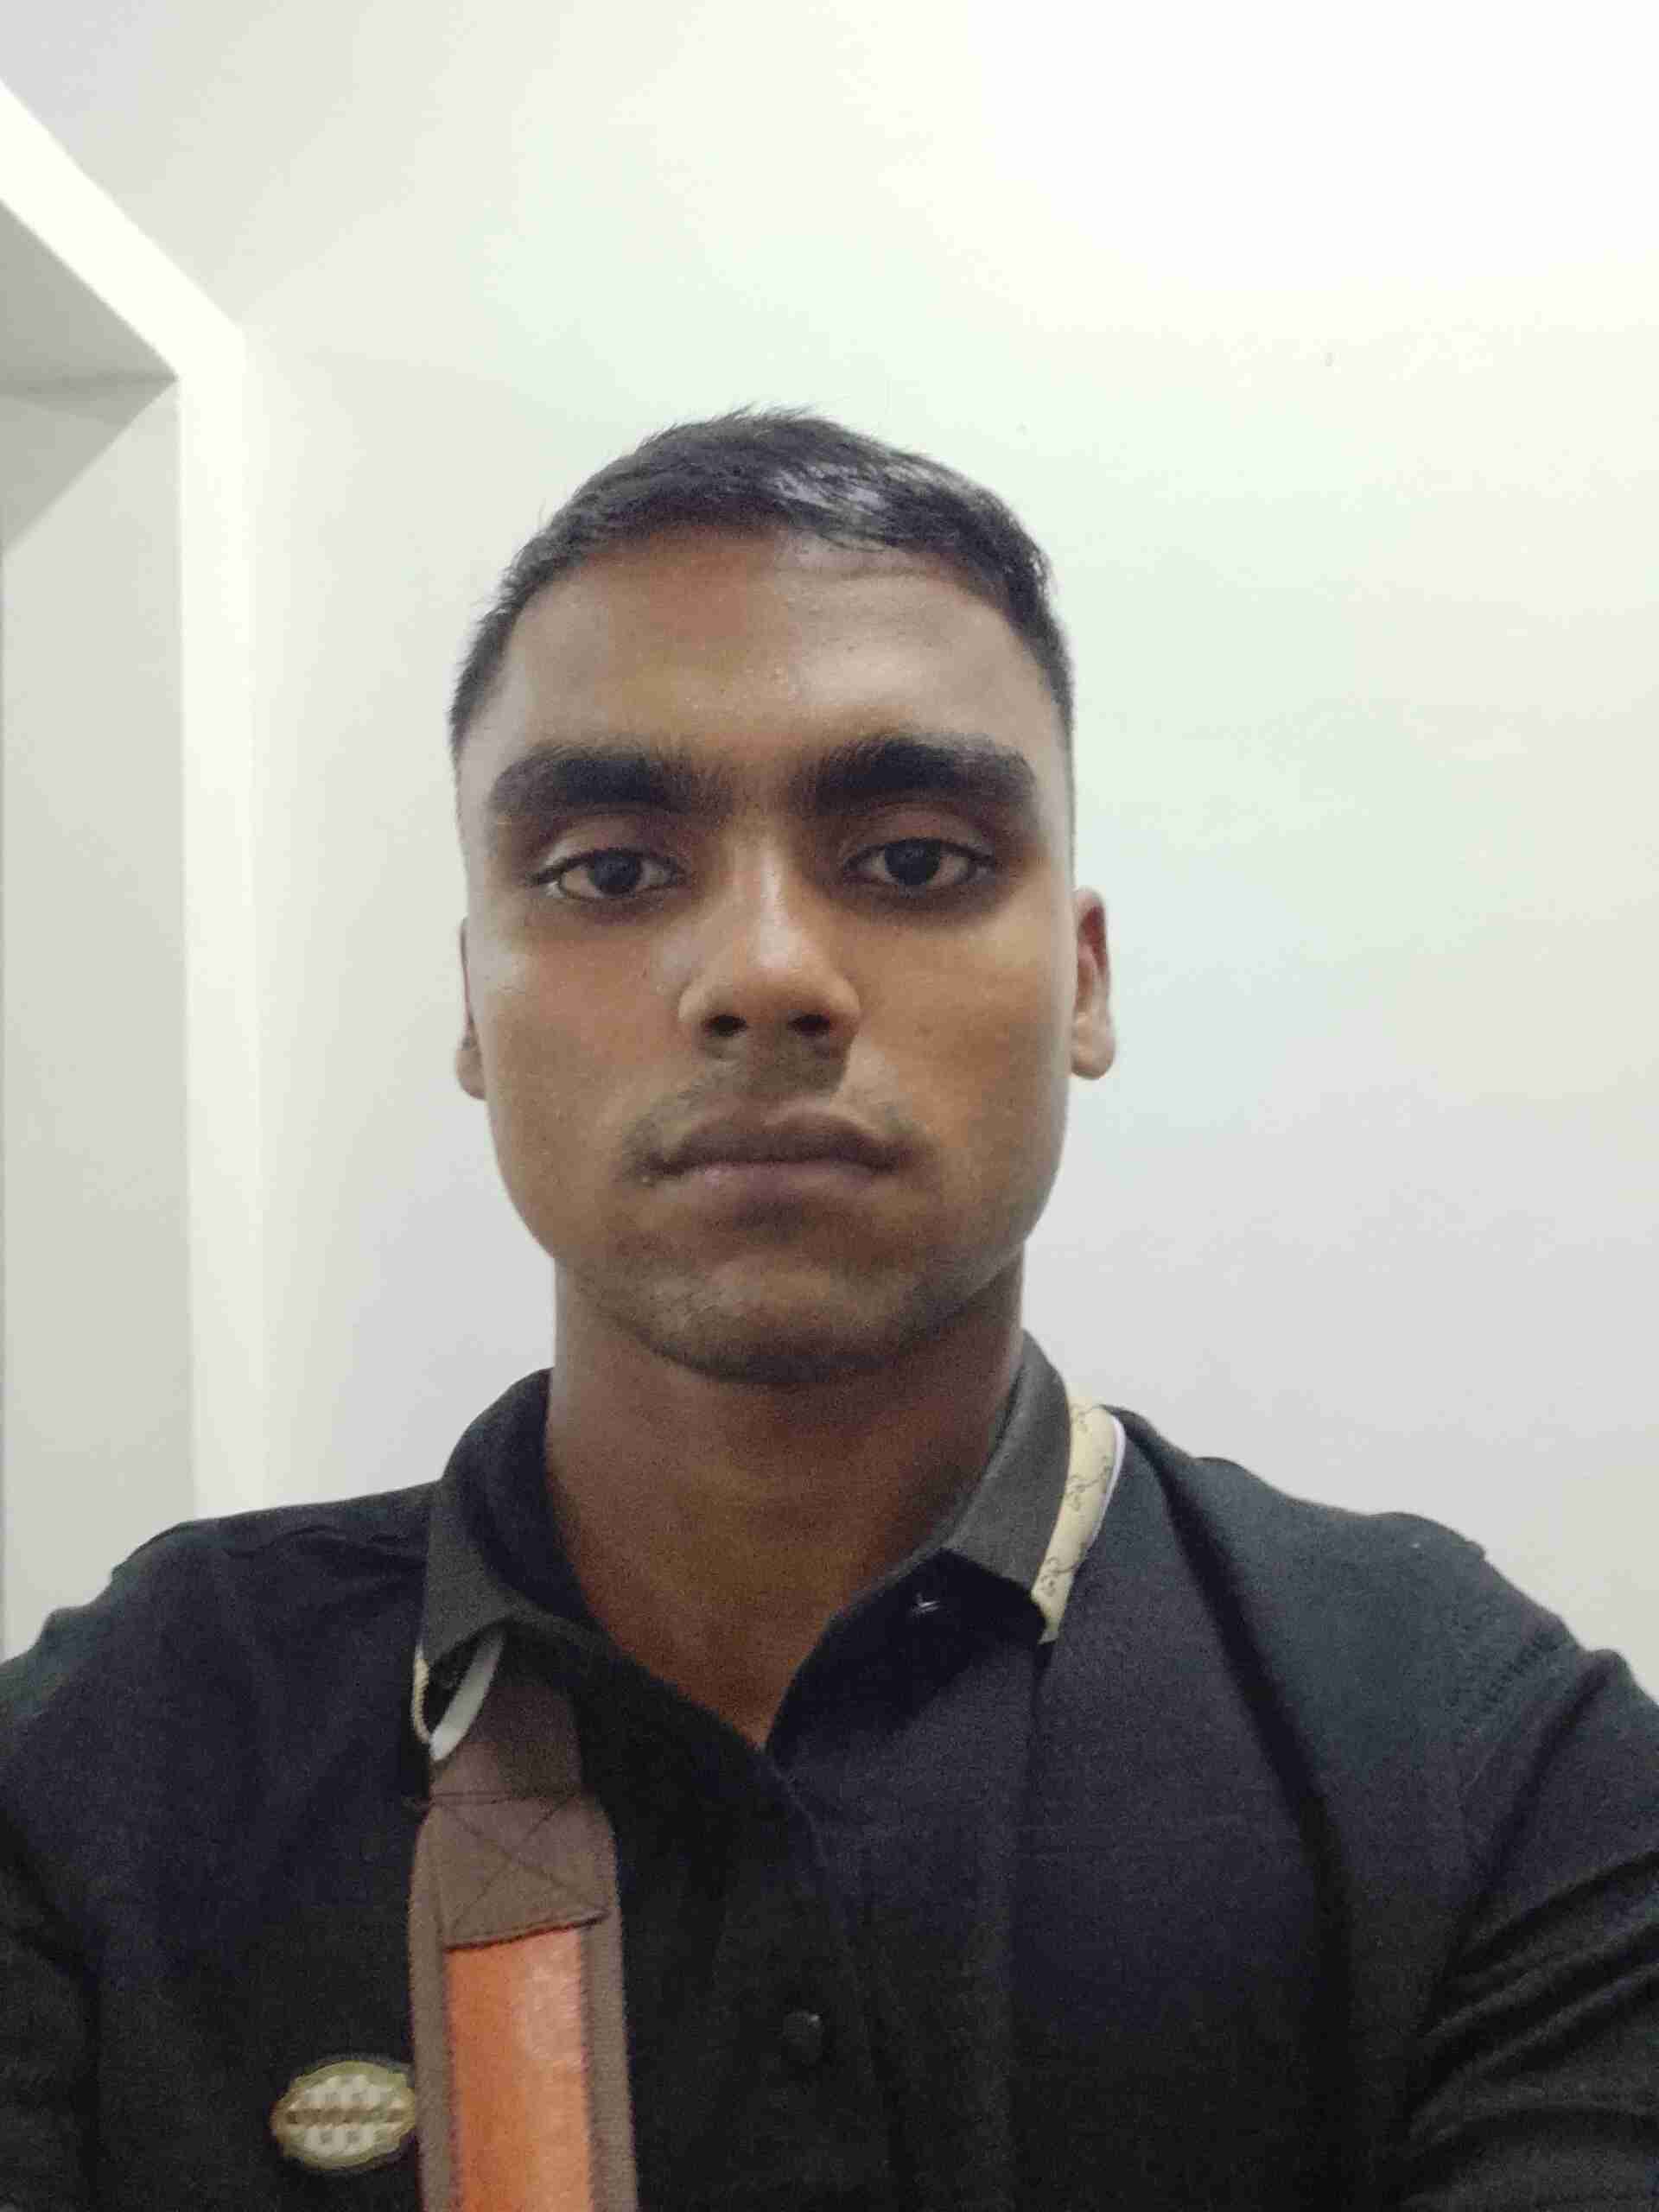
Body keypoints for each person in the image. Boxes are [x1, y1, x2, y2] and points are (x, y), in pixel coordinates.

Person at [2, 408, 1655, 2212]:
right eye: (611, 870)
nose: (767, 972)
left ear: (1082, 982)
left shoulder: (1475, 1756)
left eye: (916, 859)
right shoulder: (119, 1756)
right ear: (474, 1006)